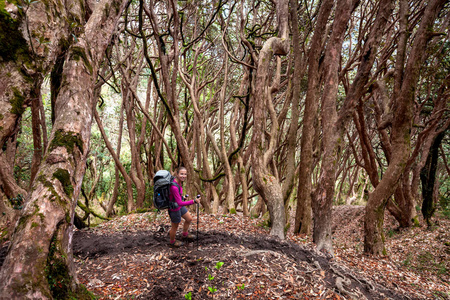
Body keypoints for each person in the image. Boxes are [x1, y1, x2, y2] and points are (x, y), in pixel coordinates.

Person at [168, 166, 201, 247]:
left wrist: (183, 197)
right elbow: (179, 203)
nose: (183, 176)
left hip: (178, 206)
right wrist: (193, 201)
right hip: (174, 208)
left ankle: (185, 235)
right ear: (177, 174)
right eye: (181, 174)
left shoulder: (178, 182)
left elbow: (176, 198)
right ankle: (172, 242)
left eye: (185, 174)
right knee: (175, 227)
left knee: (189, 219)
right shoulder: (174, 186)